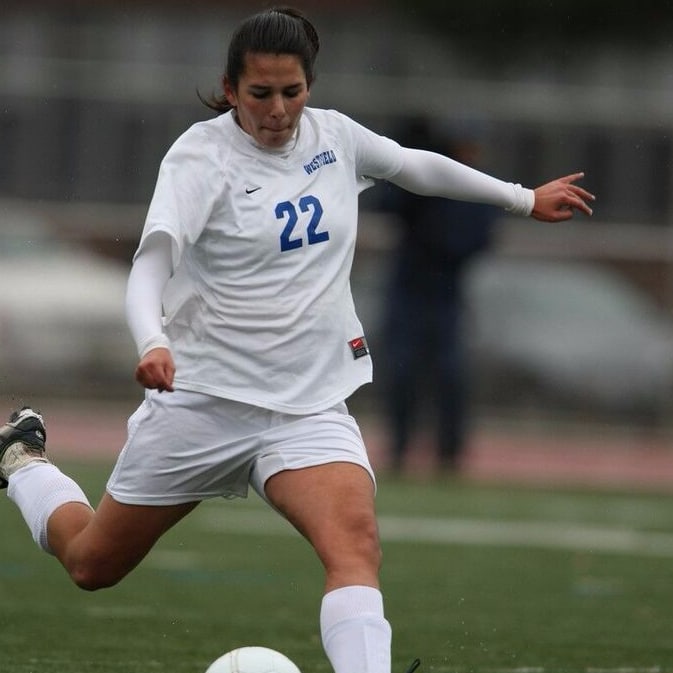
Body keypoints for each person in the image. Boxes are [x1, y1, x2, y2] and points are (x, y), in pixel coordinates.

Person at [0, 7, 594, 673]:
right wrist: (151, 340)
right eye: (260, 94)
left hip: (307, 405)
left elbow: (412, 166)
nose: (278, 109)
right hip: (202, 401)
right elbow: (150, 264)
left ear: (308, 85)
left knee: (354, 544)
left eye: (292, 91)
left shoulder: (334, 137)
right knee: (90, 563)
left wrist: (521, 197)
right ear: (229, 89)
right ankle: (23, 463)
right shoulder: (200, 158)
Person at [379, 117, 498, 474]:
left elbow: (474, 241)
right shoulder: (427, 183)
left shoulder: (479, 191)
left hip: (446, 294)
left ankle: (449, 454)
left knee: (451, 376)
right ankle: (399, 450)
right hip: (408, 292)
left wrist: (438, 228)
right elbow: (389, 206)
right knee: (401, 374)